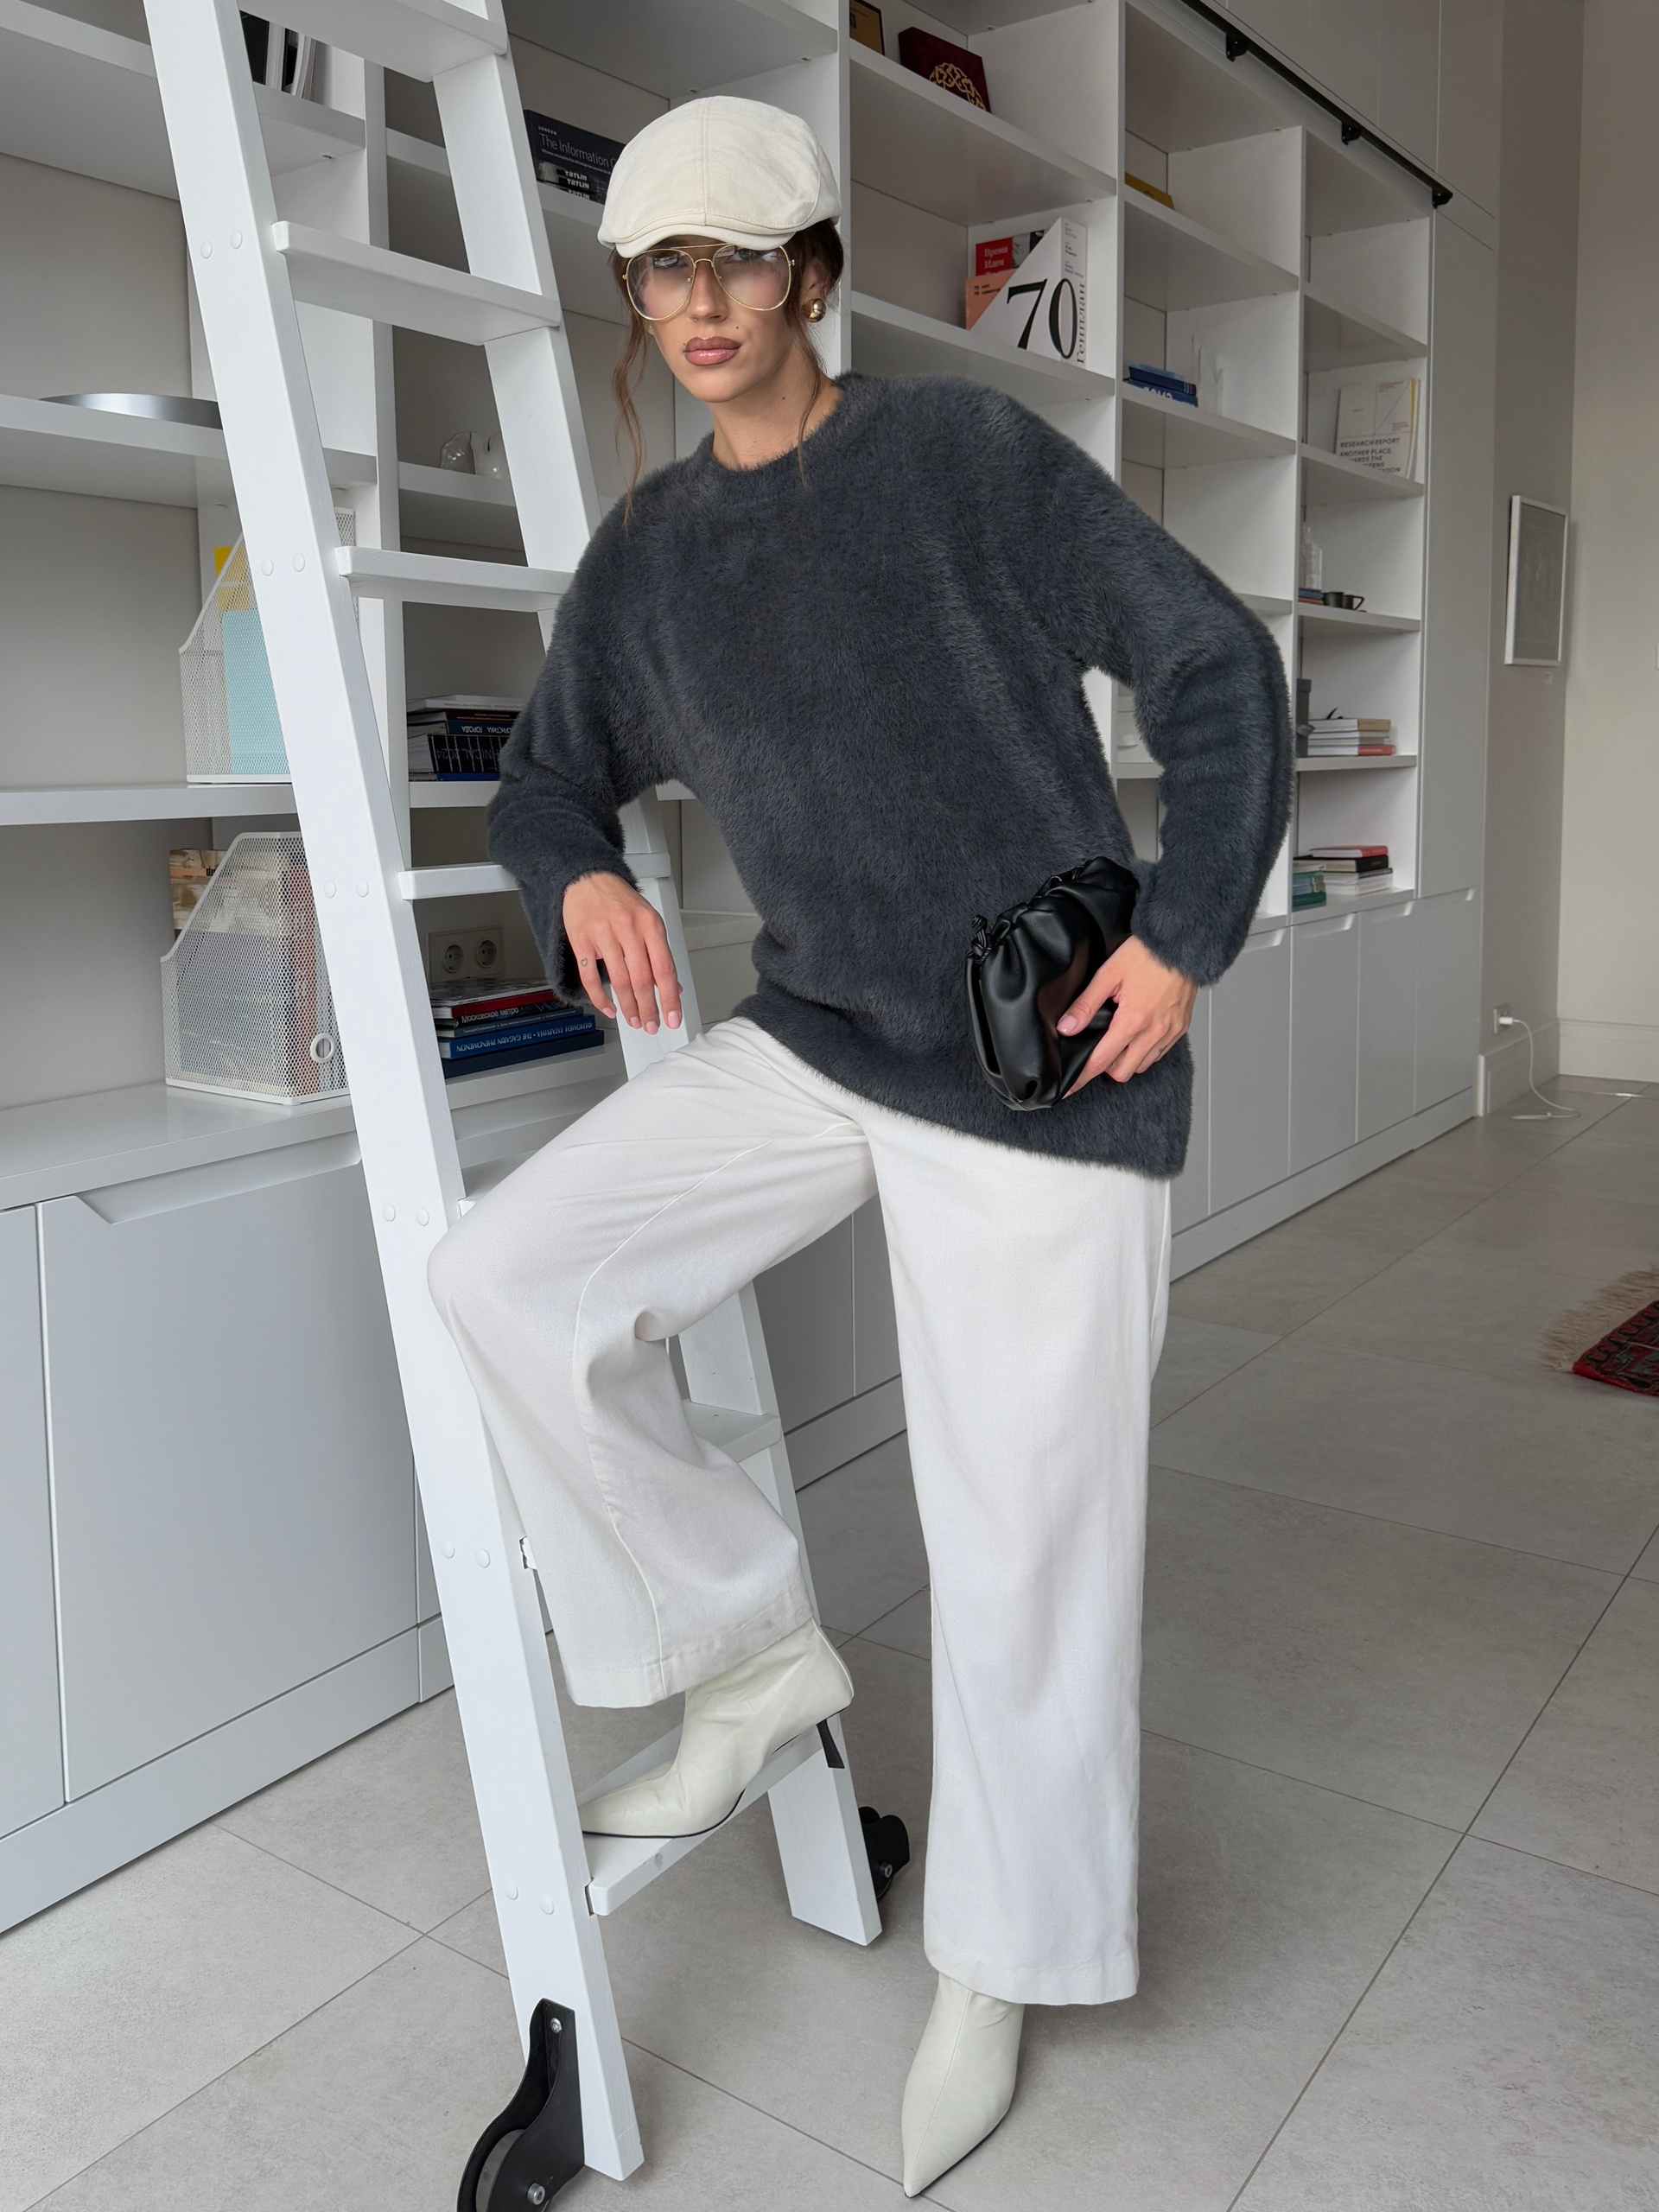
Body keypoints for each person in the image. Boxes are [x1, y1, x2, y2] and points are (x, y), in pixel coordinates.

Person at [429, 95, 1290, 2198]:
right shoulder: (646, 561)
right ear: (636, 297)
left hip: (1041, 1066)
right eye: (664, 268)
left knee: (1022, 1541)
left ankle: (996, 1958)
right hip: (819, 1039)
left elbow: (1216, 665)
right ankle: (743, 1646)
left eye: (740, 260)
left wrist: (1187, 935)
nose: (703, 303)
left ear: (808, 272)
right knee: (506, 1276)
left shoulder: (959, 458)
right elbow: (543, 780)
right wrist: (578, 871)